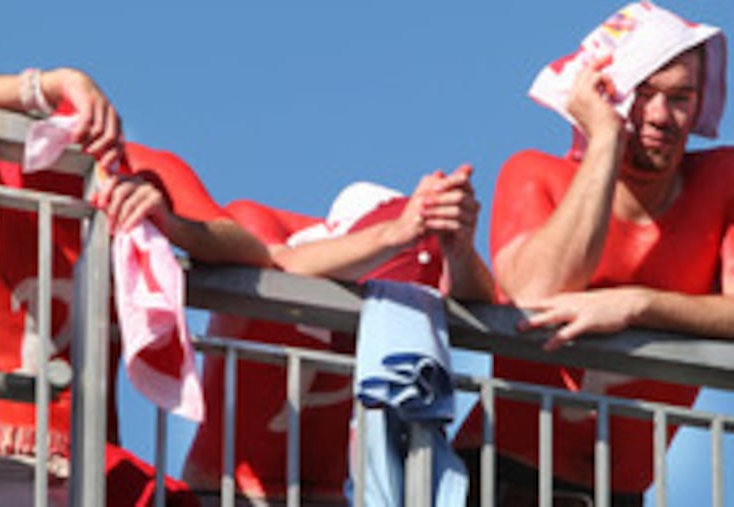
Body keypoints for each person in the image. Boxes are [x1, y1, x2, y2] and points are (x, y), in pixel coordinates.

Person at [453, 2, 731, 506]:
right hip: (503, 479)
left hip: (620, 494)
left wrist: (638, 304)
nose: (660, 116)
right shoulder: (533, 173)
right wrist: (604, 138)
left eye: (681, 97)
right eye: (642, 94)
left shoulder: (723, 181)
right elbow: (535, 293)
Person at [0, 67, 271, 505]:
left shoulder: (134, 169)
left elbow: (252, 250)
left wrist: (172, 226)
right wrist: (46, 85)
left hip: (80, 459)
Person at [183, 167, 496, 505]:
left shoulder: (391, 287)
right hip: (224, 490)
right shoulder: (263, 224)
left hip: (328, 495)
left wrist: (459, 250)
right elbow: (272, 264)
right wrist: (395, 234)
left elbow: (485, 304)